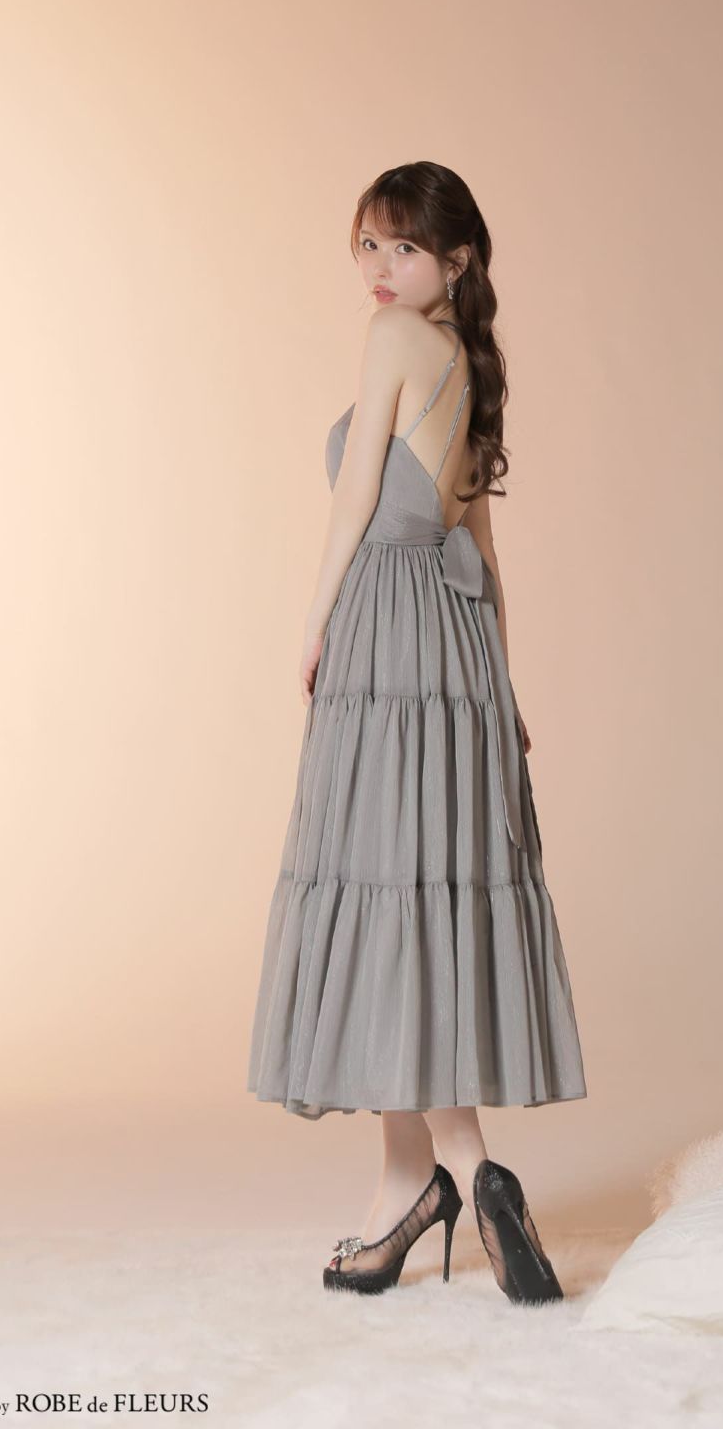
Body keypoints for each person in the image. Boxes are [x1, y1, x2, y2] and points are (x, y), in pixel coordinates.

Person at [246, 161, 587, 1303]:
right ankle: (409, 1190)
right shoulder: (470, 366)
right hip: (455, 649)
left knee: (385, 889)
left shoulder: (394, 342)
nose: (379, 270)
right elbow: (483, 551)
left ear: (457, 259)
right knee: (414, 892)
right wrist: (503, 690)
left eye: (403, 247)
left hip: (388, 631)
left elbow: (357, 501)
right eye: (369, 245)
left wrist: (314, 621)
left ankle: (467, 1167)